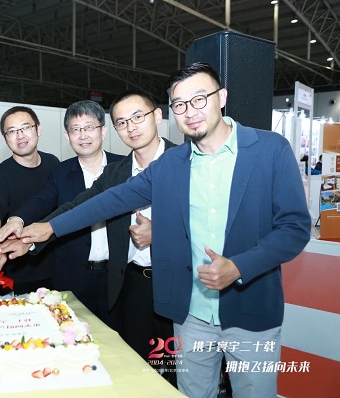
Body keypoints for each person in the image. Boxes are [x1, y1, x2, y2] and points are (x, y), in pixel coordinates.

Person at [20, 63, 311, 398]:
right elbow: (110, 200)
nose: (190, 112)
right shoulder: (171, 164)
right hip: (191, 314)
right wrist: (51, 227)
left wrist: (239, 266)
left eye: (199, 99)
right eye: (180, 104)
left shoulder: (270, 149)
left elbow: (294, 228)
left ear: (222, 98)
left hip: (250, 311)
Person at [0, 91, 177, 368]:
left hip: (179, 284)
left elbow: (213, 221)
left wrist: (161, 233)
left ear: (158, 116)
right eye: (122, 122)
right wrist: (34, 232)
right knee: (134, 366)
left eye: (138, 117)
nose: (131, 127)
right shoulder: (117, 173)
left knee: (181, 370)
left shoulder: (185, 160)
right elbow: (84, 205)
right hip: (132, 283)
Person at [0, 100, 123, 328]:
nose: (82, 135)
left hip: (118, 277)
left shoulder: (123, 168)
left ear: (103, 131)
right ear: (67, 135)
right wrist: (17, 220)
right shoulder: (60, 172)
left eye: (89, 127)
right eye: (75, 129)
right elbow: (41, 201)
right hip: (73, 278)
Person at [0, 106, 60, 294]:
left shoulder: (54, 163)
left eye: (25, 128)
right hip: (19, 274)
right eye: (12, 131)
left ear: (38, 129)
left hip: (56, 267)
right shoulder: (1, 174)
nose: (20, 136)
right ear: (5, 138)